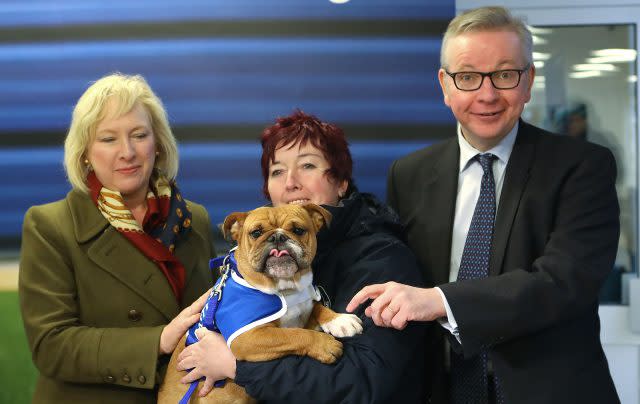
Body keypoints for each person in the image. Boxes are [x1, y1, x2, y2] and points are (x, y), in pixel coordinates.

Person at [347, 6, 620, 404]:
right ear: (445, 85)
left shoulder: (582, 167)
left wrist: (439, 300)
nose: (487, 94)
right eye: (468, 77)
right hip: (443, 391)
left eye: (505, 75)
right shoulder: (408, 175)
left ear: (528, 82)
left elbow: (563, 282)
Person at [176, 110, 427, 403]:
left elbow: (363, 385)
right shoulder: (253, 264)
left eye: (307, 165)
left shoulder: (382, 259)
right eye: (277, 171)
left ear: (341, 182)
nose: (291, 182)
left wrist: (236, 366)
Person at [19, 73, 215, 403]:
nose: (127, 152)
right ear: (84, 152)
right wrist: (159, 341)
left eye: (139, 135)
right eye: (108, 139)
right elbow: (50, 345)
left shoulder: (194, 219)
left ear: (158, 144)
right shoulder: (49, 226)